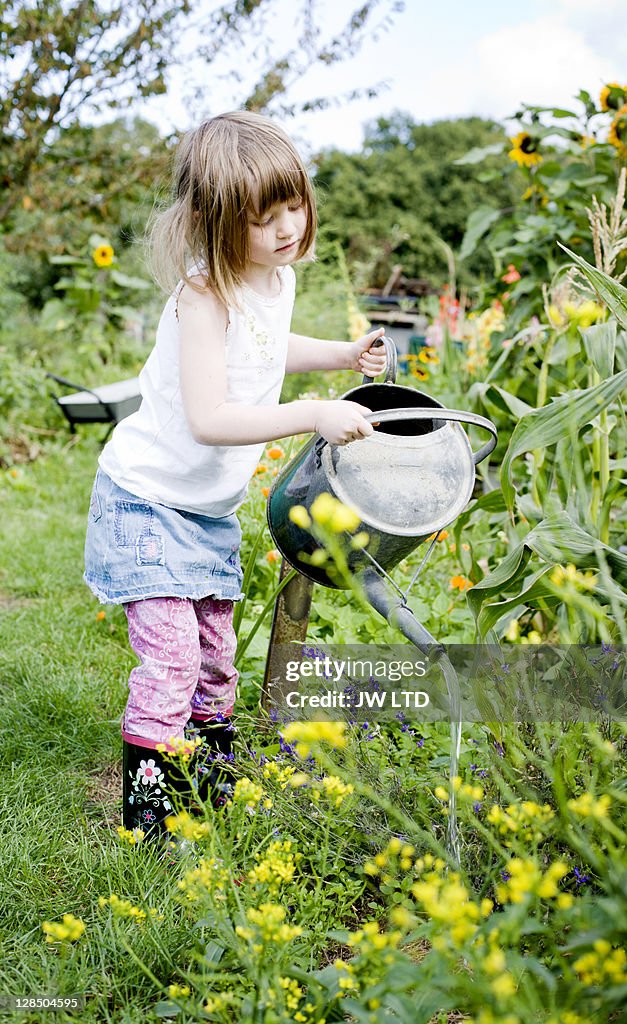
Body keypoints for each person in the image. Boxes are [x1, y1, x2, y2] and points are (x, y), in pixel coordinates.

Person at [83, 111, 386, 839]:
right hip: (147, 504)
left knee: (216, 662)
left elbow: (268, 347)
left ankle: (207, 787)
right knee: (173, 661)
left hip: (207, 511)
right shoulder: (201, 298)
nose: (286, 228)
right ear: (215, 223)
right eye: (263, 218)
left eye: (294, 205)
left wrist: (342, 355)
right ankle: (148, 820)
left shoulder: (272, 280)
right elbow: (210, 417)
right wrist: (312, 412)